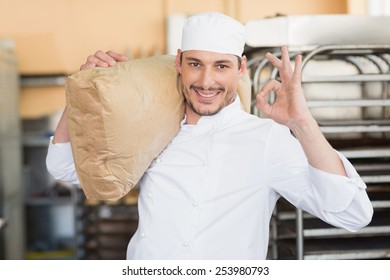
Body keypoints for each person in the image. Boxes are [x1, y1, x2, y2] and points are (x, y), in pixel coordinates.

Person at [46, 12, 373, 260]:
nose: (206, 81)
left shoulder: (265, 139)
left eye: (221, 66)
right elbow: (65, 169)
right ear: (178, 63)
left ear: (241, 69)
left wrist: (302, 123)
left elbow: (353, 213)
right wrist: (82, 90)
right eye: (195, 64)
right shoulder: (155, 125)